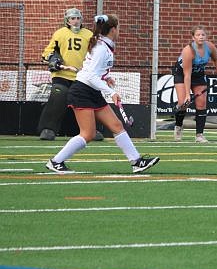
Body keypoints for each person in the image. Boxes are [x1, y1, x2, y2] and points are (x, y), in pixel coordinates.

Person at [45, 14, 159, 174]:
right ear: (112, 30)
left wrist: (106, 77)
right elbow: (90, 75)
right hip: (82, 92)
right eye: (118, 28)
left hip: (92, 91)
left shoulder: (103, 45)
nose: (119, 31)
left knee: (117, 125)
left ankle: (136, 161)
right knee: (88, 134)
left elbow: (94, 71)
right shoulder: (101, 48)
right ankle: (56, 161)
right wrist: (111, 92)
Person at [38, 8, 103, 141]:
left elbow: (95, 54)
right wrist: (52, 59)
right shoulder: (60, 33)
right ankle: (48, 129)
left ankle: (89, 130)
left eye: (78, 18)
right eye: (72, 18)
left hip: (81, 76)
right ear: (67, 20)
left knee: (85, 100)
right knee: (59, 93)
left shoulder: (88, 34)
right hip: (61, 74)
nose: (76, 21)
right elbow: (48, 51)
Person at [173, 26, 217, 143]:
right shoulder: (188, 51)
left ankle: (199, 135)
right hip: (182, 74)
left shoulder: (210, 47)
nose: (201, 37)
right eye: (198, 35)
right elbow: (187, 75)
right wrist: (187, 95)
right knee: (183, 103)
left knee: (201, 103)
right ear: (193, 37)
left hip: (199, 74)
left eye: (203, 35)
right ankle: (178, 126)